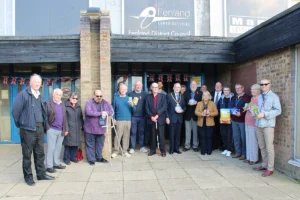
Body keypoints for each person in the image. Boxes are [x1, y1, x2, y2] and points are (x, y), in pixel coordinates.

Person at [12, 74, 54, 186]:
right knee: (27, 155)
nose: (37, 84)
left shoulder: (40, 96)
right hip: (27, 130)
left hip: (40, 128)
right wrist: (21, 124)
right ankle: (28, 177)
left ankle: (41, 174)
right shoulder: (23, 95)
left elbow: (44, 113)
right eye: (35, 82)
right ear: (30, 82)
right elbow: (15, 112)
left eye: (39, 82)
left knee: (40, 153)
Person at [253, 79, 281, 177]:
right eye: (262, 84)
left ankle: (270, 168)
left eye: (266, 84)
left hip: (268, 125)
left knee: (269, 147)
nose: (264, 86)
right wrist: (255, 112)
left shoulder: (274, 97)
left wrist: (264, 114)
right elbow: (259, 109)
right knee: (262, 146)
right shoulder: (260, 96)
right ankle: (264, 165)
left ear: (270, 85)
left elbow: (278, 111)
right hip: (258, 124)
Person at [84, 89, 113, 165]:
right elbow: (88, 112)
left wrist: (106, 113)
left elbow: (111, 110)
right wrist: (101, 113)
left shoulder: (105, 102)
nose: (99, 97)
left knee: (100, 144)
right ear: (94, 96)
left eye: (100, 96)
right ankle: (91, 159)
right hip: (90, 128)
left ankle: (99, 157)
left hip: (101, 128)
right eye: (97, 96)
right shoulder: (89, 103)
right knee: (90, 144)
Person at [45, 88, 68, 173]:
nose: (58, 96)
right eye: (57, 94)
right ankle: (49, 166)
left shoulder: (62, 104)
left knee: (58, 148)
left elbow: (65, 117)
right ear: (53, 94)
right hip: (52, 129)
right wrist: (48, 128)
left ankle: (56, 163)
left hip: (61, 130)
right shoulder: (48, 103)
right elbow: (45, 117)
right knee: (51, 148)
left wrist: (65, 129)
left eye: (60, 95)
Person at [112, 84, 136, 158]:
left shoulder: (129, 98)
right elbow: (112, 110)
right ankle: (116, 151)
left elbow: (134, 111)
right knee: (118, 136)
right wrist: (113, 118)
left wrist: (132, 105)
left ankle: (125, 151)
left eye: (124, 89)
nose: (123, 90)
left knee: (126, 136)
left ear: (126, 90)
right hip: (119, 120)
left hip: (128, 120)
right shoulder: (116, 98)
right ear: (119, 89)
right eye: (122, 89)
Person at [146, 82, 168, 157]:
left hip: (160, 118)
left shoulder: (163, 96)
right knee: (152, 135)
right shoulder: (148, 97)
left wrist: (157, 115)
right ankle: (152, 150)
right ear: (151, 88)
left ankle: (163, 151)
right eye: (153, 87)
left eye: (156, 87)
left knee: (161, 135)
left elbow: (164, 106)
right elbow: (146, 108)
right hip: (151, 119)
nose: (155, 89)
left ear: (158, 88)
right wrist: (151, 117)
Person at [230, 84, 250, 160]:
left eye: (239, 88)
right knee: (236, 137)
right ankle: (237, 152)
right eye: (236, 88)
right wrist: (231, 116)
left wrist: (241, 113)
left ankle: (244, 154)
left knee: (243, 138)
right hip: (234, 120)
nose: (238, 89)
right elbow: (231, 107)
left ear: (243, 88)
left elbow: (247, 108)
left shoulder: (247, 98)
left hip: (242, 120)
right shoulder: (234, 98)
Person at [63, 92, 83, 165]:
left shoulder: (78, 106)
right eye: (73, 98)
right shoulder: (65, 106)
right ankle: (66, 159)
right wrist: (66, 128)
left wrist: (81, 125)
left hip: (77, 127)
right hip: (69, 128)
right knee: (68, 144)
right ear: (69, 98)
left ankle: (73, 157)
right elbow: (64, 118)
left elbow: (81, 117)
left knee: (75, 144)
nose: (75, 99)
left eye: (76, 98)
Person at [128, 81, 148, 154]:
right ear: (135, 86)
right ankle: (132, 147)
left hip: (142, 116)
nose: (138, 86)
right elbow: (129, 106)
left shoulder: (145, 94)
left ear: (142, 85)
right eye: (137, 85)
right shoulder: (130, 94)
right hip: (133, 116)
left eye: (139, 85)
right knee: (133, 132)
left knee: (141, 132)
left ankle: (142, 146)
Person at [166, 83, 186, 154]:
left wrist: (182, 110)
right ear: (173, 88)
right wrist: (167, 117)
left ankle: (176, 149)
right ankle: (171, 149)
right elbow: (166, 107)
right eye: (176, 87)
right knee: (172, 134)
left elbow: (184, 107)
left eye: (178, 87)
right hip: (172, 118)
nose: (177, 88)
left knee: (178, 134)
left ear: (180, 88)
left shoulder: (182, 96)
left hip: (179, 118)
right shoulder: (169, 95)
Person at [243, 84, 260, 165]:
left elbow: (258, 111)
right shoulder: (252, 98)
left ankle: (254, 159)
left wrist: (250, 108)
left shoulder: (260, 99)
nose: (252, 91)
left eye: (254, 89)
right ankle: (249, 157)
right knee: (248, 140)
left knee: (253, 141)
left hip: (253, 122)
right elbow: (251, 108)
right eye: (252, 89)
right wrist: (247, 108)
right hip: (247, 121)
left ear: (258, 90)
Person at [183, 80, 202, 152]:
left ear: (197, 86)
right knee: (187, 131)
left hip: (196, 115)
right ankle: (187, 146)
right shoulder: (186, 92)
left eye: (194, 85)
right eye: (192, 84)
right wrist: (188, 103)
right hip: (187, 115)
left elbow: (202, 103)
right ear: (190, 85)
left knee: (195, 131)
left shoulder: (200, 93)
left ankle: (195, 146)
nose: (193, 86)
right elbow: (183, 103)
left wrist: (196, 103)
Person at [218, 86, 234, 157]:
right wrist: (219, 117)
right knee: (223, 134)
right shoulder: (221, 99)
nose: (226, 92)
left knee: (229, 135)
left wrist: (232, 118)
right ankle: (225, 148)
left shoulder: (233, 98)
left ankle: (229, 149)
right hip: (223, 119)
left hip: (230, 120)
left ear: (230, 91)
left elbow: (235, 108)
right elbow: (218, 108)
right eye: (225, 90)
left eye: (227, 90)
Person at [211, 82, 224, 150]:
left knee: (222, 131)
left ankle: (222, 146)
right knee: (213, 131)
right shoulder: (211, 93)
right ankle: (214, 145)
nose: (218, 87)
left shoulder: (224, 94)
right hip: (212, 116)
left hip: (221, 115)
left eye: (219, 85)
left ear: (221, 87)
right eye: (216, 85)